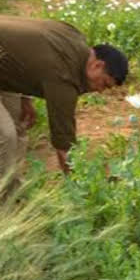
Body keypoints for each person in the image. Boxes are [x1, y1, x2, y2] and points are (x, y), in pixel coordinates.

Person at [0, 16, 128, 180]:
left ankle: (12, 186)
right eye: (104, 84)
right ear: (98, 65)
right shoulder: (65, 76)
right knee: (6, 135)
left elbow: (28, 54)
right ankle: (4, 198)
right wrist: (75, 181)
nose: (101, 91)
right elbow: (63, 141)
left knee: (19, 125)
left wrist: (25, 97)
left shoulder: (74, 37)